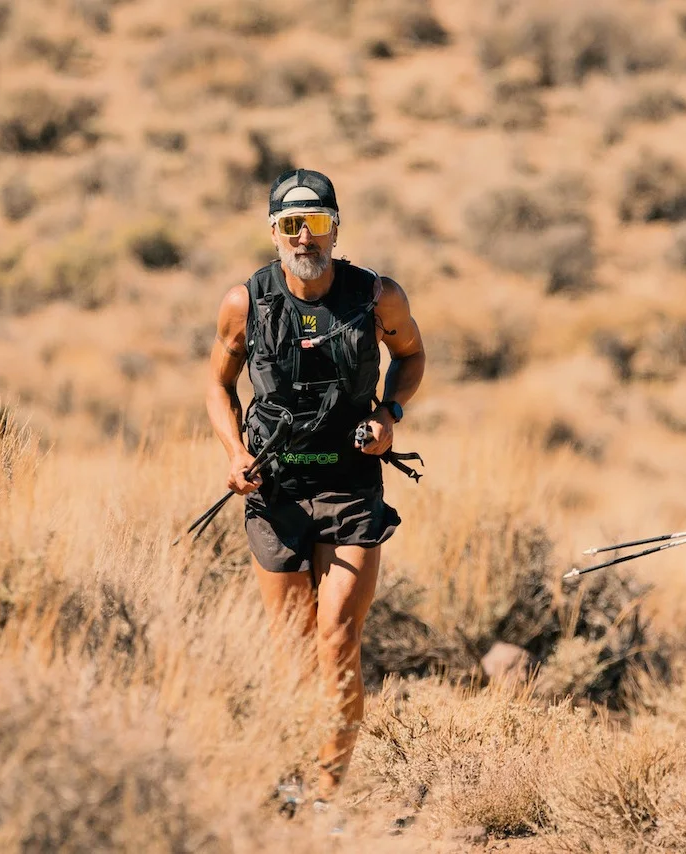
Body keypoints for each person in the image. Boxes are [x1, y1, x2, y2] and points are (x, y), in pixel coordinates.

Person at [205, 168, 425, 814]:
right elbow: (218, 386)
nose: (305, 237)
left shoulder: (375, 297)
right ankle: (289, 771)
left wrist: (389, 416)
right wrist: (235, 454)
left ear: (337, 227)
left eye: (318, 222)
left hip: (350, 484)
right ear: (273, 233)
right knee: (293, 650)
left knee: (337, 638)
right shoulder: (245, 303)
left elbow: (412, 358)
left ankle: (328, 790)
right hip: (276, 488)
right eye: (291, 225)